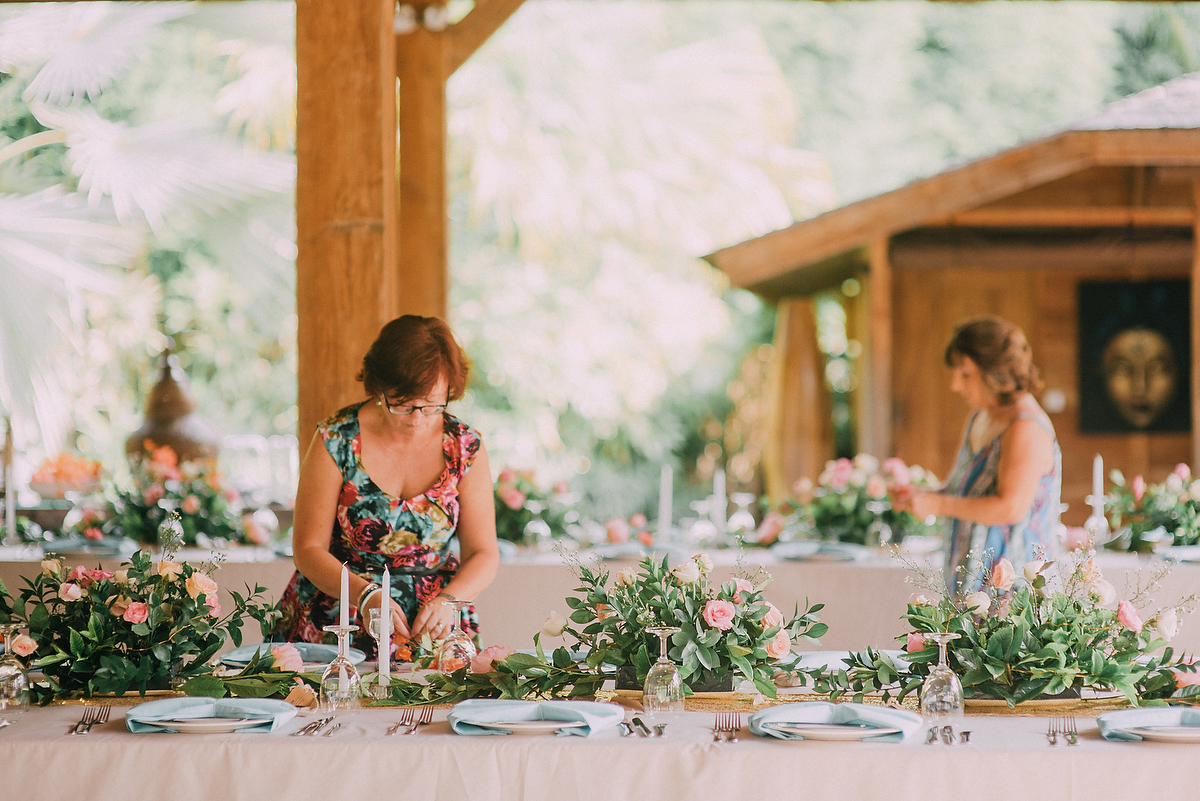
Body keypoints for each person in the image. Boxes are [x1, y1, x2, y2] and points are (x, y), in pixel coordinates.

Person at [274, 316, 499, 660]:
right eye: (403, 404)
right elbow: (307, 547)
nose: (418, 418)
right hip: (339, 617)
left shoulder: (465, 446)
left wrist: (449, 601)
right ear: (379, 387)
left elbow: (483, 553)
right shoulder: (337, 439)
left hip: (433, 628)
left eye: (433, 405)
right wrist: (365, 596)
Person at [895, 317, 1061, 596]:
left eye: (965, 374)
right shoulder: (979, 417)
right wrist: (921, 495)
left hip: (1011, 595)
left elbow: (1010, 508)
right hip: (971, 584)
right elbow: (964, 493)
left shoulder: (1026, 427)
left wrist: (939, 504)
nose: (955, 386)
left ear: (995, 373)